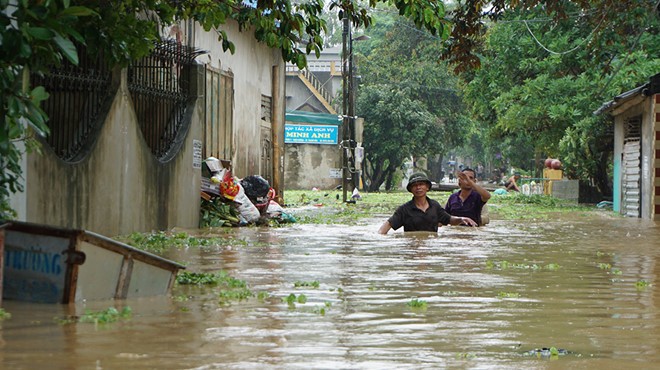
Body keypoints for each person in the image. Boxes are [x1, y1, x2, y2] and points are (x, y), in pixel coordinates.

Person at [378, 172, 477, 234]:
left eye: (421, 184)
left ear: (427, 187)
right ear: (411, 189)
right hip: (412, 249)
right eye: (415, 185)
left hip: (430, 247)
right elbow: (386, 227)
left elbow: (449, 219)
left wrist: (461, 219)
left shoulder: (435, 206)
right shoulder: (404, 210)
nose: (418, 188)